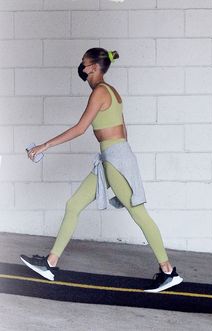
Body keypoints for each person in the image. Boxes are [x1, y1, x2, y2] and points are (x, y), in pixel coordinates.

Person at [20, 48, 183, 293]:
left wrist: (44, 146)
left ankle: (168, 272)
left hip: (115, 160)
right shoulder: (112, 92)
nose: (81, 68)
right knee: (74, 205)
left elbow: (80, 128)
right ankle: (50, 264)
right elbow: (122, 130)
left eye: (84, 64)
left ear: (95, 67)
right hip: (111, 158)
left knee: (139, 214)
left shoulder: (99, 92)